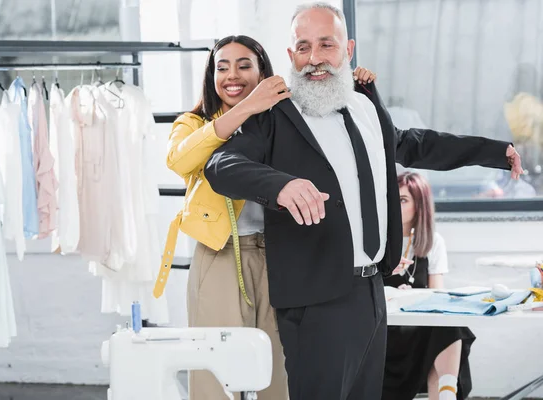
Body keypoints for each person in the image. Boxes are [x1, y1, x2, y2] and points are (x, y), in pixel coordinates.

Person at [203, 3, 524, 399]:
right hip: (315, 299)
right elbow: (221, 165)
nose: (314, 59)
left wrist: (495, 152)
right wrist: (280, 185)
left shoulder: (364, 105)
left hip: (372, 289)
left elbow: (415, 145)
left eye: (326, 45)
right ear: (290, 56)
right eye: (303, 48)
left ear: (348, 48)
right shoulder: (273, 114)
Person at [154, 34, 377, 400]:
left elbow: (331, 113)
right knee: (214, 368)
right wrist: (246, 109)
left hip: (282, 254)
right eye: (222, 67)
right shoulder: (194, 124)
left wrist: (358, 84)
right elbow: (179, 160)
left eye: (245, 66)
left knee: (279, 368)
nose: (232, 76)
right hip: (221, 254)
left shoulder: (284, 122)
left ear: (263, 73)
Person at [383, 171, 476, 400]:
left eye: (403, 200)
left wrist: (414, 297)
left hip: (418, 328)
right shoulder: (378, 241)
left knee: (450, 325)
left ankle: (445, 393)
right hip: (385, 331)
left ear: (419, 205)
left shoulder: (433, 242)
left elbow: (438, 296)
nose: (395, 205)